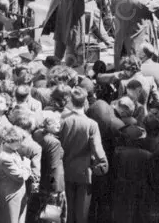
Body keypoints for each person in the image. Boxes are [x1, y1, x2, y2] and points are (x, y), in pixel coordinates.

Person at [58, 87, 108, 223]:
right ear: (85, 101)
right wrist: (103, 164)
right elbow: (97, 149)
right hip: (84, 174)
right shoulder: (91, 124)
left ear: (70, 101)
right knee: (81, 215)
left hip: (65, 172)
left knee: (66, 212)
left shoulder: (63, 121)